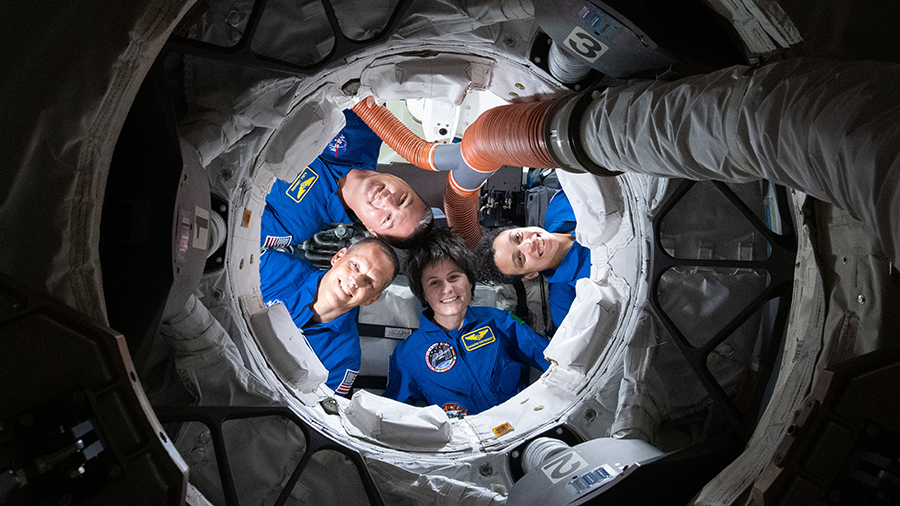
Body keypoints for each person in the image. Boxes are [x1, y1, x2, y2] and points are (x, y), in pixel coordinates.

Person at [384, 227, 551, 415]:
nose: (447, 289)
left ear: (470, 282)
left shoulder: (499, 322)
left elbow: (551, 359)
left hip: (521, 425)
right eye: (434, 283)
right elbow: (392, 416)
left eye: (454, 277)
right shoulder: (407, 356)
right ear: (423, 293)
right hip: (464, 441)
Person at [260, 108, 434, 250]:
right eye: (402, 199)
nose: (387, 200)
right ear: (405, 183)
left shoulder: (294, 224)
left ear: (370, 229)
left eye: (387, 219)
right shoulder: (369, 125)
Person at [259, 237, 400, 395]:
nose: (355, 280)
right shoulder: (272, 267)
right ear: (338, 257)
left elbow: (313, 412)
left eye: (368, 282)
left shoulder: (345, 360)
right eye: (355, 265)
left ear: (371, 299)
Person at [474, 190, 590, 329]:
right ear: (530, 274)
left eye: (518, 237)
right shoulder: (568, 308)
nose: (529, 244)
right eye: (520, 259)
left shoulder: (561, 202)